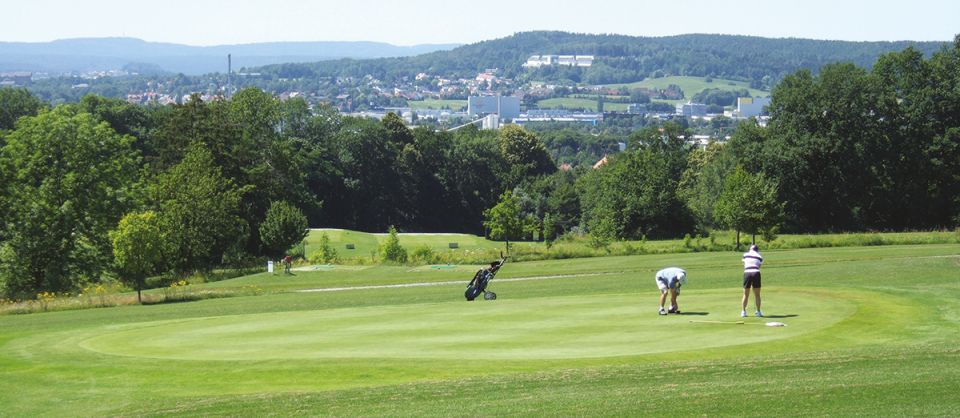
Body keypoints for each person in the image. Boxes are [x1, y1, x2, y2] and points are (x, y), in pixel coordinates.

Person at [741, 244, 763, 317]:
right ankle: (758, 312)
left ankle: (743, 312)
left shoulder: (745, 255)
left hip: (747, 273)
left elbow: (744, 264)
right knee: (757, 294)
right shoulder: (759, 256)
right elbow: (759, 266)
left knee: (745, 294)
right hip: (756, 272)